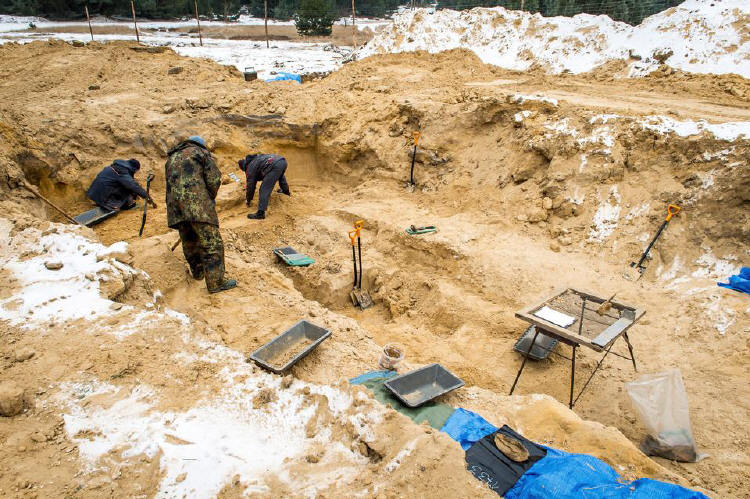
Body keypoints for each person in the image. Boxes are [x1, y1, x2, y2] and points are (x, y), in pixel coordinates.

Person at [165, 135, 236, 294]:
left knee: (189, 241)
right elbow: (214, 179)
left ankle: (197, 273)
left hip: (176, 209)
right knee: (212, 243)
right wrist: (208, 197)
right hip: (198, 206)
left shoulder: (171, 158)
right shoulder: (200, 153)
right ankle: (216, 282)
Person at [86, 159, 156, 212]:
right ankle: (113, 205)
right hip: (102, 196)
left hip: (93, 193)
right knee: (128, 191)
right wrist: (146, 196)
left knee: (127, 186)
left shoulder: (116, 167)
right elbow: (133, 186)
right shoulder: (123, 171)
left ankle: (103, 201)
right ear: (134, 169)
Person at [238, 153, 291, 220]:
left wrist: (248, 199)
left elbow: (250, 186)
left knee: (264, 189)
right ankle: (286, 191)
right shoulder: (257, 159)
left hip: (273, 165)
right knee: (279, 175)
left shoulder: (250, 168)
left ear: (244, 167)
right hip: (282, 161)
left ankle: (260, 213)